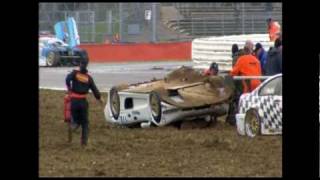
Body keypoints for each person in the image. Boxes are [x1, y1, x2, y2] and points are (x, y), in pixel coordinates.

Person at [65, 59, 103, 146]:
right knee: (85, 123)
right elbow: (94, 89)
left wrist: (69, 89)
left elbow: (67, 79)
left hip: (74, 101)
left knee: (76, 120)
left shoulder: (74, 74)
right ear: (86, 66)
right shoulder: (89, 78)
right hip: (83, 102)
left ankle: (73, 126)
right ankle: (84, 143)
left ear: (80, 65)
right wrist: (99, 98)